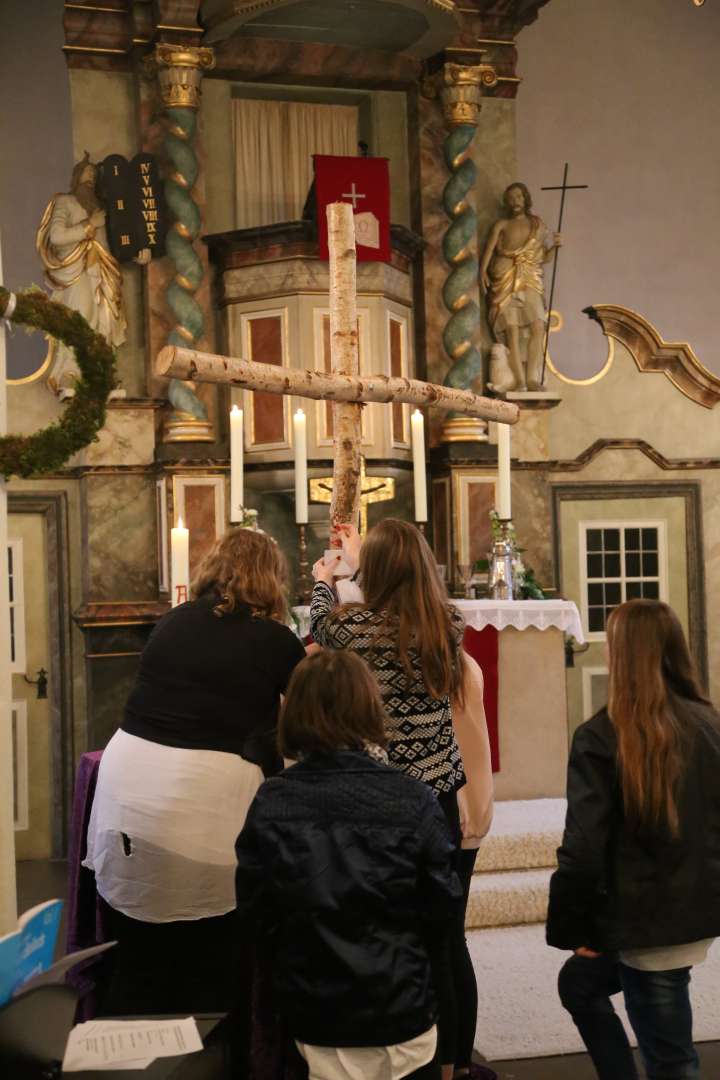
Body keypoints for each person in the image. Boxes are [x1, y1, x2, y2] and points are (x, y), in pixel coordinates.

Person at [83, 527, 305, 1016]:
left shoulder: (173, 621)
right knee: (208, 965)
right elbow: (305, 725)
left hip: (125, 795)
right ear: (271, 579)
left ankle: (123, 1053)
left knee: (137, 958)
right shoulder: (275, 639)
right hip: (201, 807)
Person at [310, 519, 494, 1080]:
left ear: (379, 572)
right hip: (439, 796)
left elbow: (319, 625)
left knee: (394, 933)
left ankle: (402, 1051)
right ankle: (456, 1063)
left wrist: (328, 575)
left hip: (384, 804)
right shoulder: (448, 623)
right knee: (446, 937)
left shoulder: (355, 627)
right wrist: (366, 558)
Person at [235, 648, 463, 1080]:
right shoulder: (413, 798)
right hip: (401, 1010)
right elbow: (441, 912)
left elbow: (256, 917)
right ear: (369, 708)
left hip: (315, 1014)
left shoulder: (274, 801)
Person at [546, 599, 720, 1080]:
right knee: (579, 985)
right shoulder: (709, 725)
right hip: (689, 907)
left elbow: (581, 855)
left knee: (673, 1062)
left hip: (646, 922)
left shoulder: (601, 737)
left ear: (621, 656)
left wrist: (576, 931)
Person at [36, 152, 149, 399]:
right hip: (78, 271)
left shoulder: (104, 207)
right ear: (76, 177)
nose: (91, 180)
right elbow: (56, 237)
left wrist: (136, 252)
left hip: (104, 271)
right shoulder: (65, 202)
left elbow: (117, 240)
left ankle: (100, 376)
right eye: (87, 174)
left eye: (94, 176)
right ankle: (73, 374)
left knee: (105, 324)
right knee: (81, 318)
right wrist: (89, 225)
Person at [479, 181, 561, 392]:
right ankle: (519, 381)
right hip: (505, 276)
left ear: (525, 199)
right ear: (507, 202)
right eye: (511, 198)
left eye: (519, 197)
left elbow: (544, 257)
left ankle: (532, 377)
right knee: (511, 331)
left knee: (538, 326)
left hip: (530, 277)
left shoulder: (537, 224)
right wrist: (481, 272)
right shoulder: (502, 225)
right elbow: (488, 251)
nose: (515, 201)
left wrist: (556, 247)